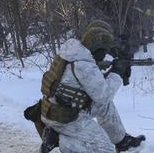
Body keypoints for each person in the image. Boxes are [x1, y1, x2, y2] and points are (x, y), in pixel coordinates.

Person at [37, 23, 145, 153]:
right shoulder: (83, 65)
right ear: (96, 48)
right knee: (105, 148)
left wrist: (111, 70)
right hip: (64, 118)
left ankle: (121, 141)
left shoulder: (73, 53)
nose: (105, 55)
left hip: (63, 108)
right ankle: (58, 139)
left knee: (105, 106)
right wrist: (117, 73)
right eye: (103, 51)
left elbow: (91, 87)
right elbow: (103, 95)